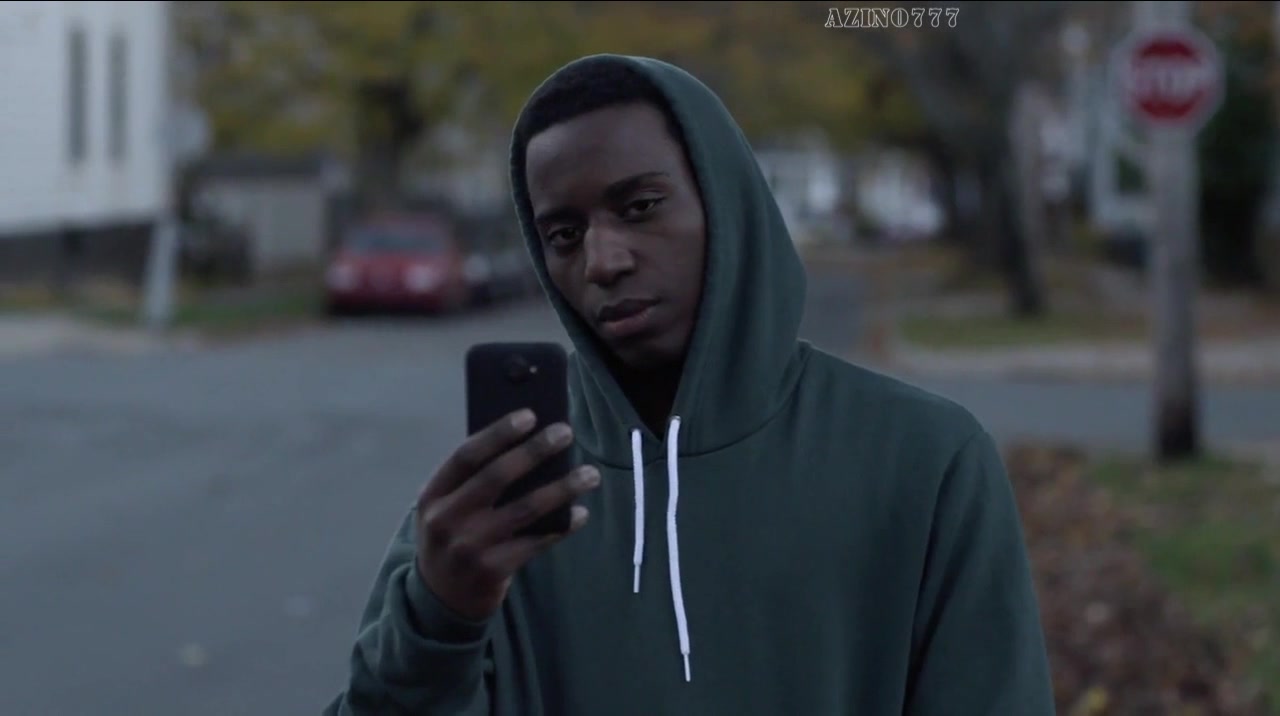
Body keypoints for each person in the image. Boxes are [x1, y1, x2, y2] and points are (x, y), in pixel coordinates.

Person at [324, 54, 1056, 716]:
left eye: (639, 207)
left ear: (724, 201)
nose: (602, 261)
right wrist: (439, 621)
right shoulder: (503, 501)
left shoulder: (924, 459)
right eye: (564, 235)